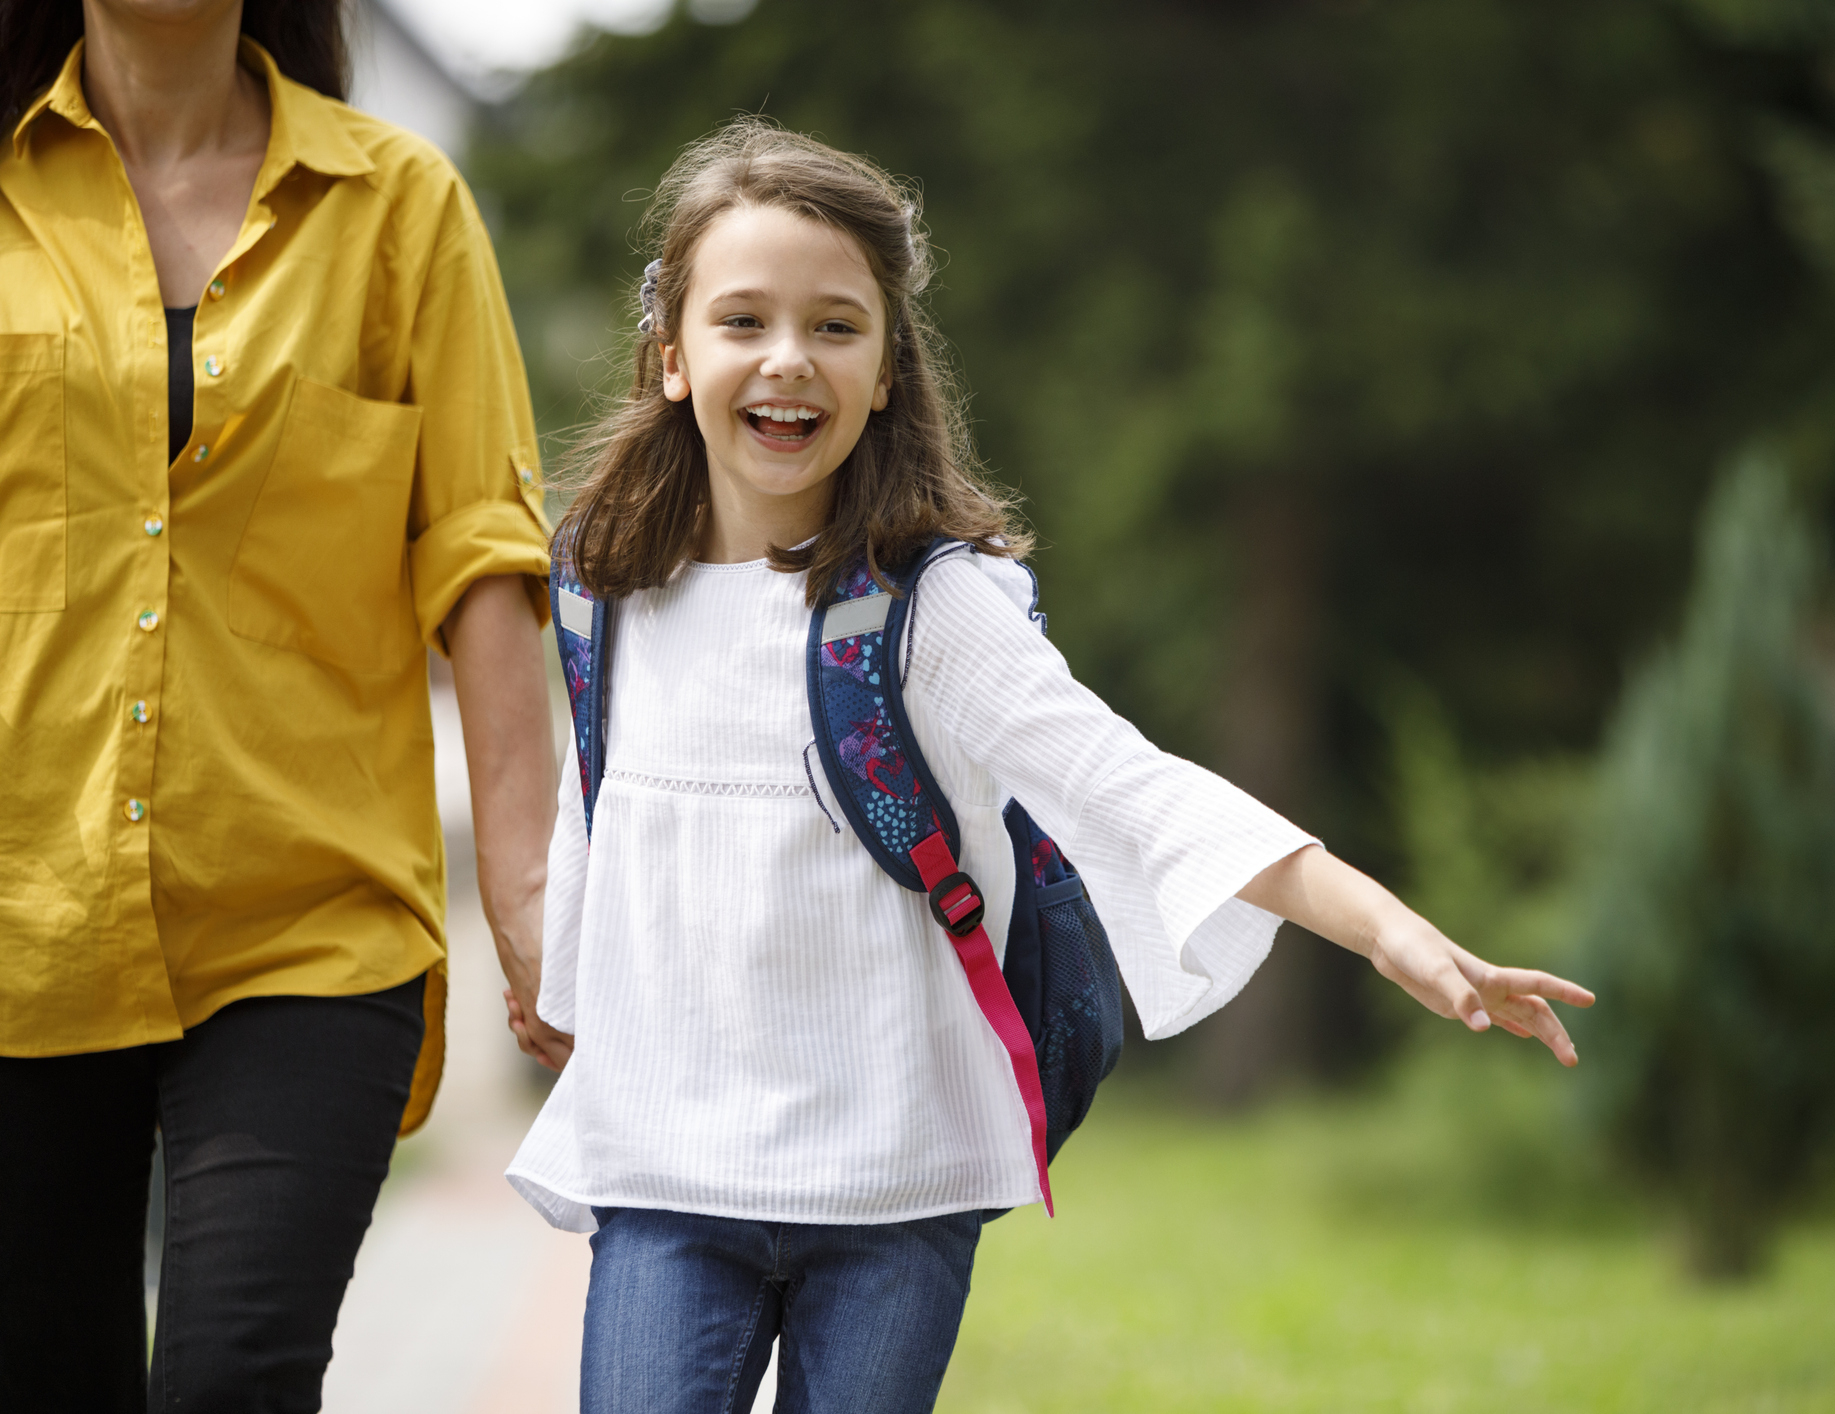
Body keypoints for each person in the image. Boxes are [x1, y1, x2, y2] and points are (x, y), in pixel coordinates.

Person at [503, 118, 1593, 1414]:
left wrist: (1390, 929)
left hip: (894, 1189)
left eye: (836, 325)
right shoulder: (604, 585)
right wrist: (555, 977)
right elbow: (599, 802)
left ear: (891, 369)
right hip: (665, 1175)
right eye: (743, 320)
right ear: (671, 357)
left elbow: (1135, 789)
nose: (788, 359)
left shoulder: (934, 608)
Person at [0, 2, 569, 1409]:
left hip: (309, 916)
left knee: (234, 1379)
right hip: (20, 911)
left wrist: (531, 891)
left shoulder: (399, 209)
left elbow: (483, 557)